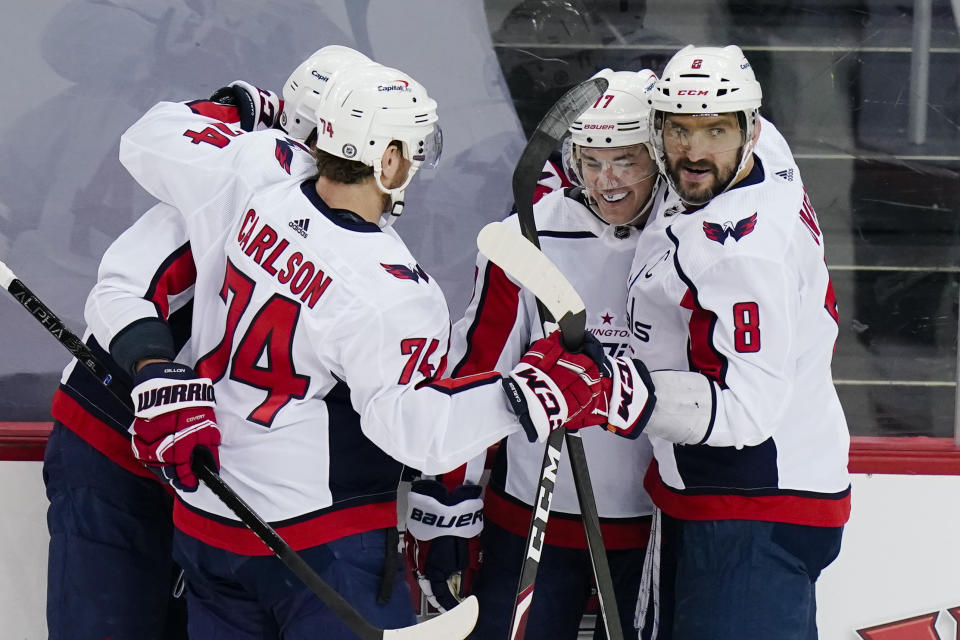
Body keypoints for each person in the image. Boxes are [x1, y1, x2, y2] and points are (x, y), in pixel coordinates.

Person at [90, 51, 608, 639]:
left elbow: (148, 140)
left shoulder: (253, 172)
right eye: (413, 151)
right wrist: (530, 395)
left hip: (209, 519)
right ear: (387, 159)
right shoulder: (392, 289)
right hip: (318, 542)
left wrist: (231, 105)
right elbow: (416, 433)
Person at [43, 45, 370, 640]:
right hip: (118, 439)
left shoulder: (358, 220)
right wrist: (158, 371)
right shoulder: (232, 181)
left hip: (221, 466)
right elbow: (121, 290)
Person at [594, 45, 851, 639]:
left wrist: (607, 389)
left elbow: (746, 410)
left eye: (714, 131)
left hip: (751, 507)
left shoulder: (741, 255)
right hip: (717, 495)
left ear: (749, 130)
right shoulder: (764, 153)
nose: (694, 151)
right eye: (679, 130)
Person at [403, 68, 663, 640]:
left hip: (654, 524)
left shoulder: (685, 233)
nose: (607, 181)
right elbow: (479, 368)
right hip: (531, 519)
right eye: (592, 161)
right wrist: (451, 495)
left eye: (626, 161)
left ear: (659, 154)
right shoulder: (527, 235)